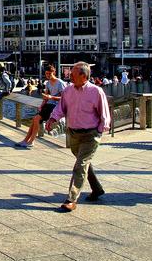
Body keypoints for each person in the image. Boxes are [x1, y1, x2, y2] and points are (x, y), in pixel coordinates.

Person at [45, 61, 111, 212]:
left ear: (83, 75)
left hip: (91, 134)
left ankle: (71, 199)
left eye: (73, 74)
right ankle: (97, 189)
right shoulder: (68, 90)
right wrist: (52, 119)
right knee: (84, 163)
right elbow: (61, 107)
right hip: (74, 133)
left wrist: (99, 131)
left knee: (80, 165)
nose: (69, 76)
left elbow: (104, 114)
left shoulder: (96, 91)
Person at [16, 64, 66, 149]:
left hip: (55, 107)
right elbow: (46, 96)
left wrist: (51, 97)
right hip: (48, 105)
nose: (48, 75)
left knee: (36, 119)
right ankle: (25, 140)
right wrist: (42, 105)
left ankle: (31, 141)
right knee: (34, 120)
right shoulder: (48, 83)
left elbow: (64, 98)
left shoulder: (60, 83)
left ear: (54, 72)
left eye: (50, 73)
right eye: (46, 74)